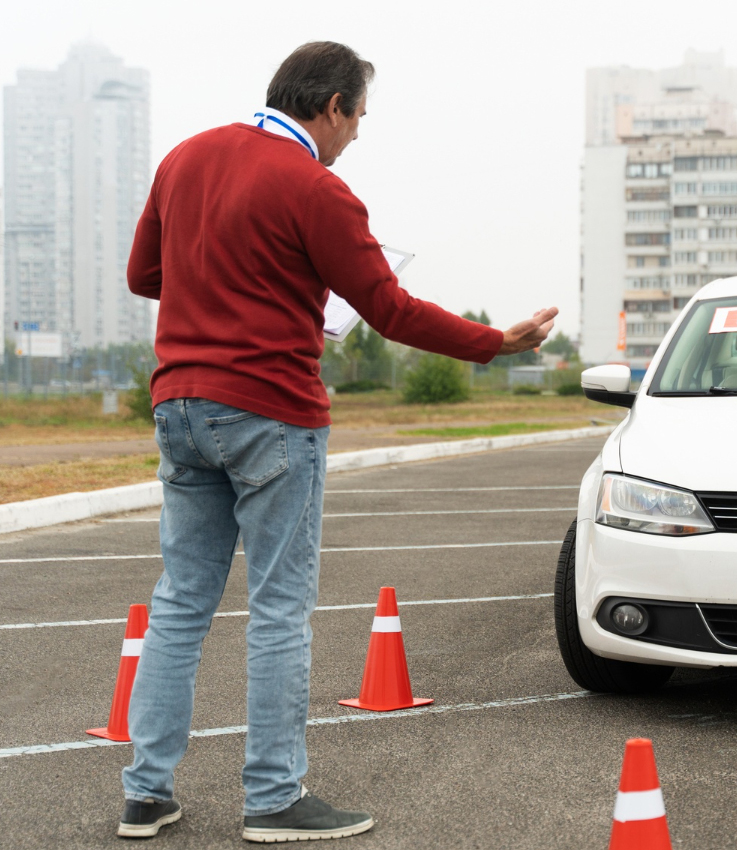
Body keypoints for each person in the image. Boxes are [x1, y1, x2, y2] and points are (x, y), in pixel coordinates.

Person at [118, 42, 555, 842]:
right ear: (331, 106)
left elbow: (145, 275)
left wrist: (229, 284)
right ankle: (274, 799)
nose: (356, 135)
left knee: (181, 605)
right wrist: (497, 342)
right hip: (270, 412)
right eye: (358, 118)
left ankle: (146, 794)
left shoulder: (185, 158)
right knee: (279, 609)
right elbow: (389, 309)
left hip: (180, 407)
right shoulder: (317, 188)